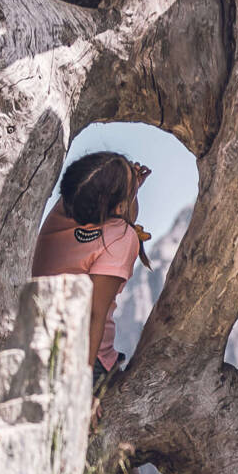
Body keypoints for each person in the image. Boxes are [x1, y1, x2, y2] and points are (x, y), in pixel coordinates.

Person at [31, 151, 151, 382]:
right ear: (116, 207)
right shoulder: (121, 238)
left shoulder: (69, 205)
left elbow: (120, 218)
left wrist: (129, 190)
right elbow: (93, 315)